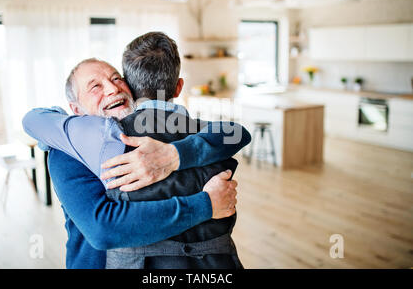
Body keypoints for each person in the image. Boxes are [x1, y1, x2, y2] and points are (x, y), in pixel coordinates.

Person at [23, 35, 250, 269]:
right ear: (75, 109)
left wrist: (175, 154)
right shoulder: (67, 153)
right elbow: (103, 229)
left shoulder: (155, 132)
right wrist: (206, 204)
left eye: (116, 78)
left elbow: (236, 132)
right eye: (95, 87)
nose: (113, 89)